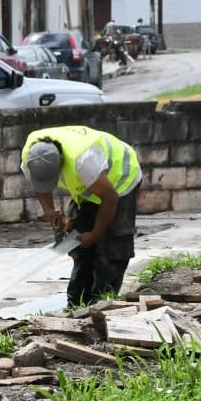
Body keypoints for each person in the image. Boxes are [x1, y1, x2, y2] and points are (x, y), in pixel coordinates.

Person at [21, 126, 142, 307]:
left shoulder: (84, 160)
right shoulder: (32, 155)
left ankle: (101, 304)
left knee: (112, 247)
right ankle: (77, 303)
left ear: (61, 161)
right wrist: (50, 211)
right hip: (89, 188)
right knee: (78, 242)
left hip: (120, 182)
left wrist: (94, 234)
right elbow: (40, 187)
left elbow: (110, 198)